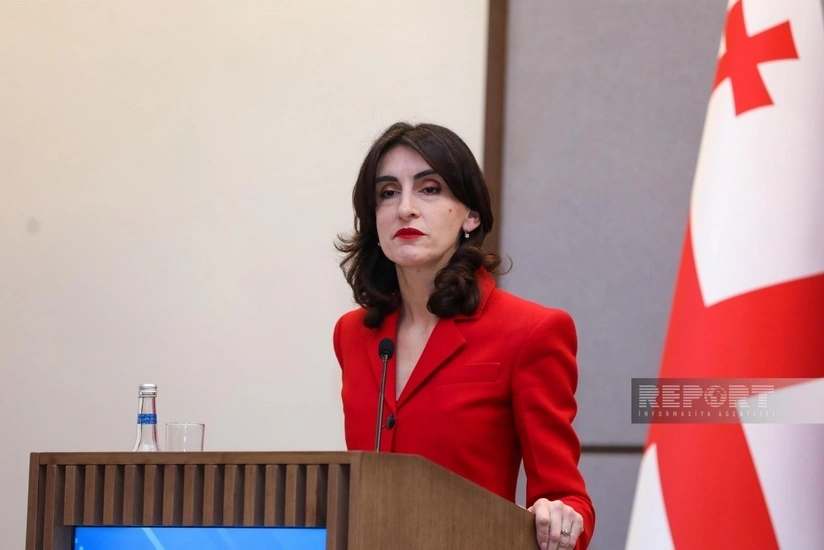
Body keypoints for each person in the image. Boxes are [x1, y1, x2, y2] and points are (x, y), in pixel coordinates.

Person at [333, 122, 594, 550]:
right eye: (388, 193)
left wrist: (562, 519)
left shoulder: (530, 331)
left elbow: (568, 499)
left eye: (429, 189)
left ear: (470, 215)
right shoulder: (353, 333)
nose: (405, 209)